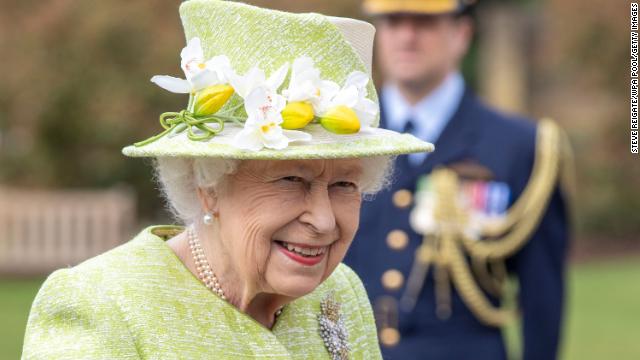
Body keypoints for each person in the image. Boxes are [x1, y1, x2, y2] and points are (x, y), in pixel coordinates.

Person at [21, 1, 435, 358]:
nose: (324, 220)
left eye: (345, 185)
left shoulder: (341, 293)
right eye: (291, 179)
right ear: (207, 185)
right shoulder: (100, 304)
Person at [344, 0, 571, 359]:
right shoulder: (345, 137)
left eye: (424, 22)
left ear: (462, 33)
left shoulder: (519, 146)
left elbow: (542, 296)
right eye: (392, 21)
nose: (406, 36)